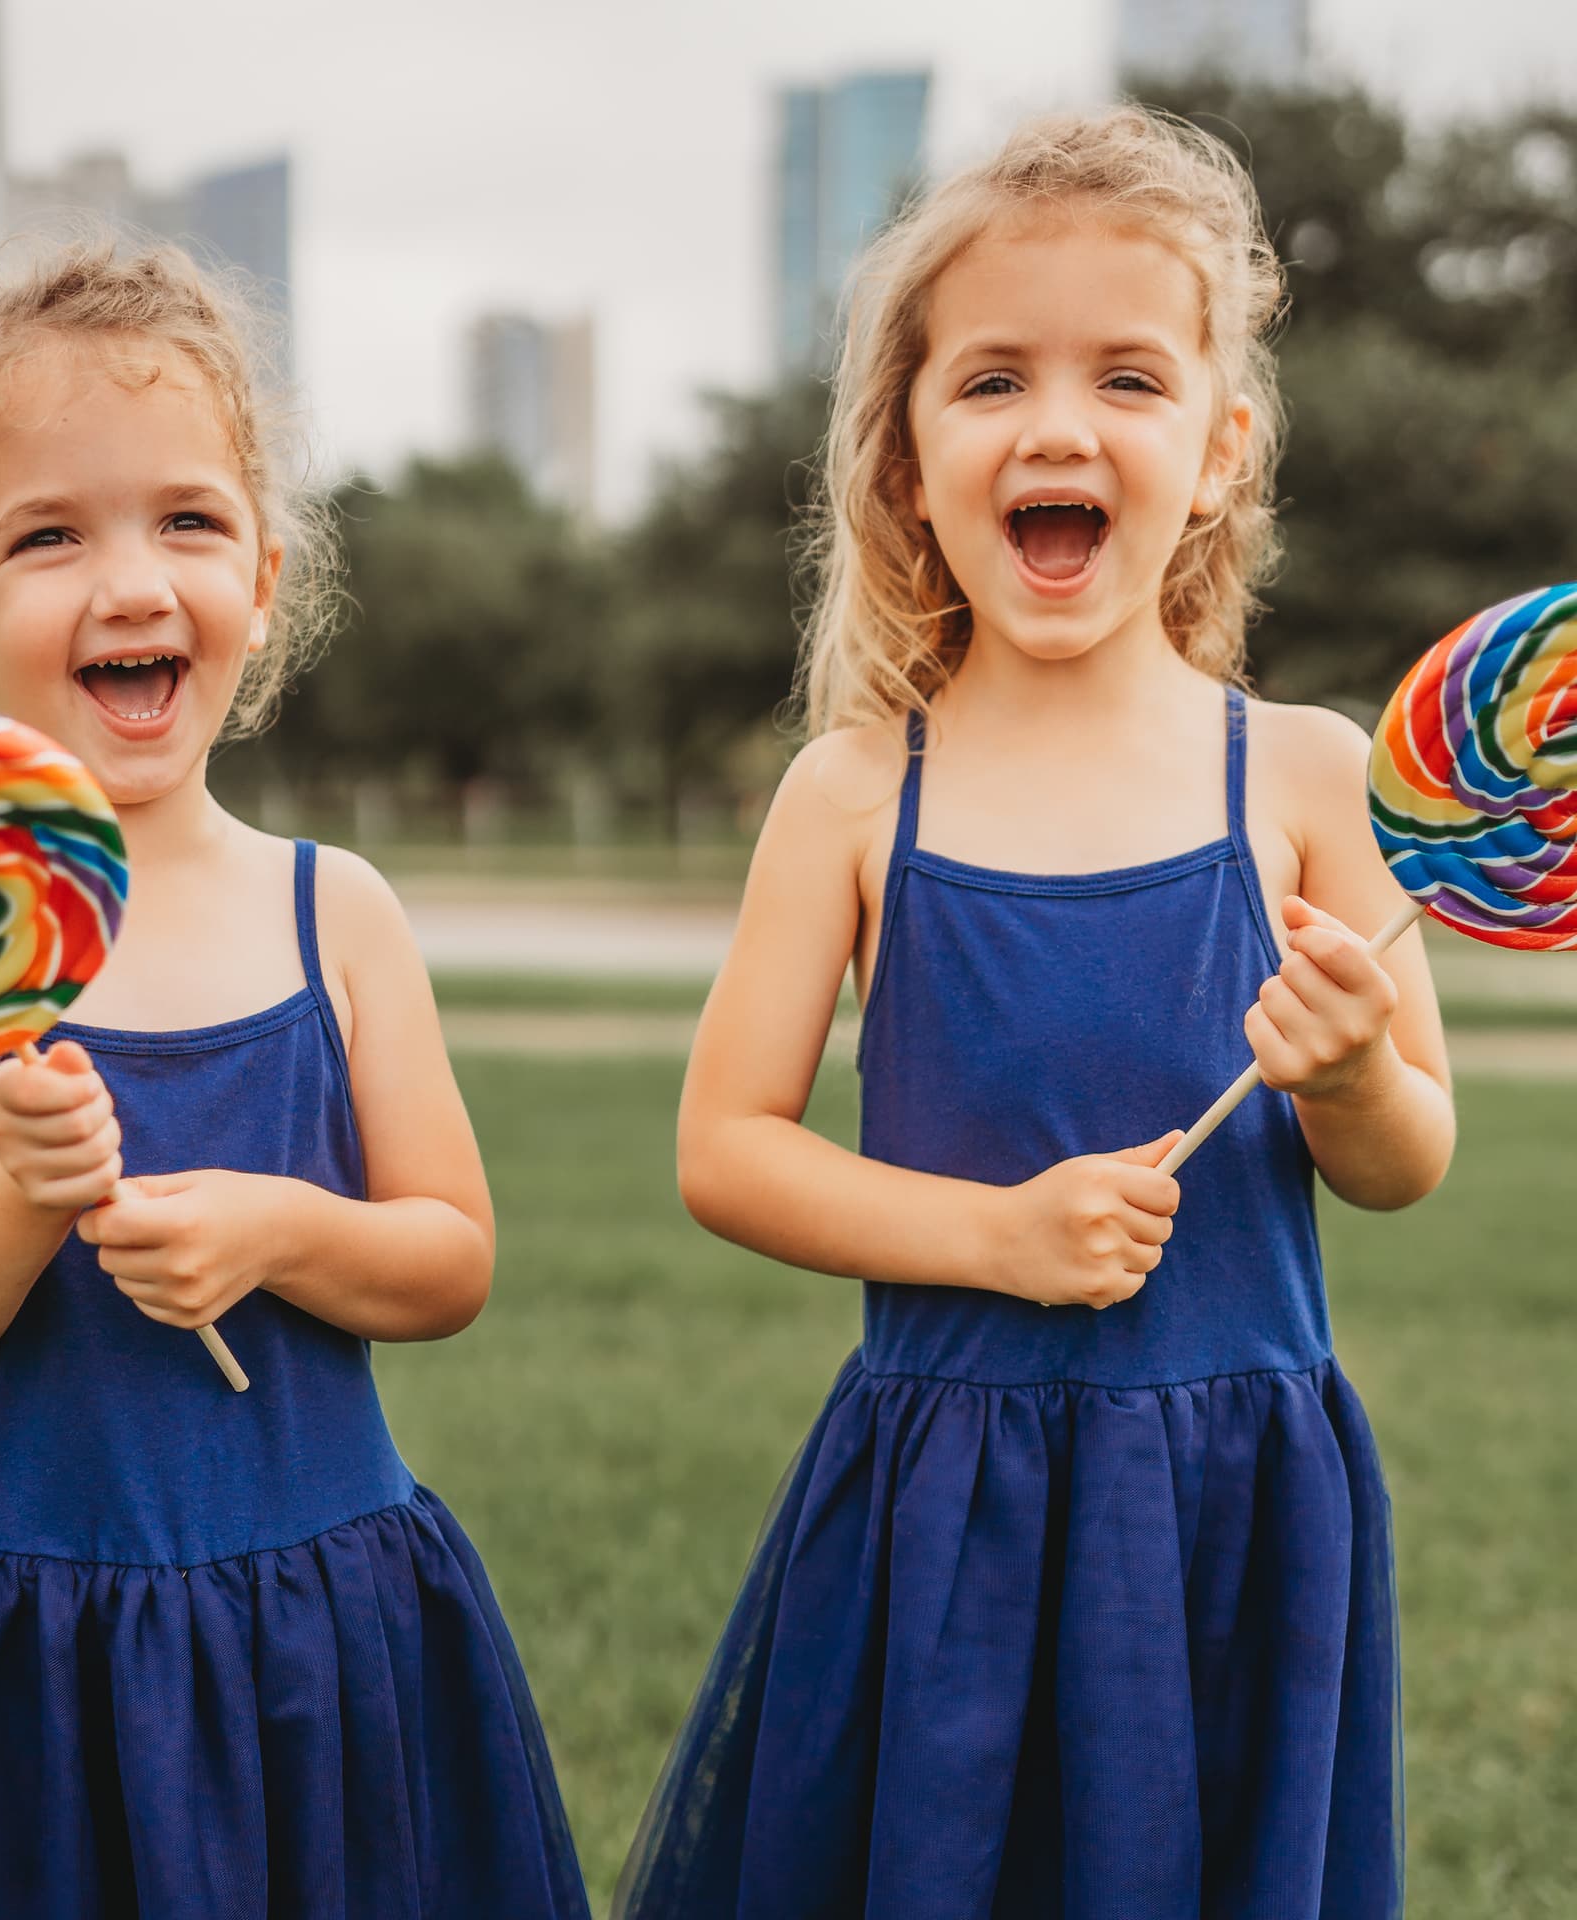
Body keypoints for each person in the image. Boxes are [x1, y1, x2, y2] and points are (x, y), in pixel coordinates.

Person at [617, 106, 1453, 1920]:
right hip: (950, 1495)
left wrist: (1358, 1067)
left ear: (1220, 451)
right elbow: (726, 1151)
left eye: (1129, 381)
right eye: (991, 380)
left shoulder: (1309, 779)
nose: (1059, 425)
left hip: (1238, 1498)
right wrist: (992, 1237)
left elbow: (1406, 1164)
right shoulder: (853, 797)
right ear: (908, 458)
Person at [0, 235, 588, 1920]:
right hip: (37, 1644)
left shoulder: (334, 913)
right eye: (47, 536)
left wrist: (282, 1229)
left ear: (263, 578)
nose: (130, 583)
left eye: (187, 521)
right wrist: (13, 1190)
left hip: (328, 1636)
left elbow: (452, 1256)